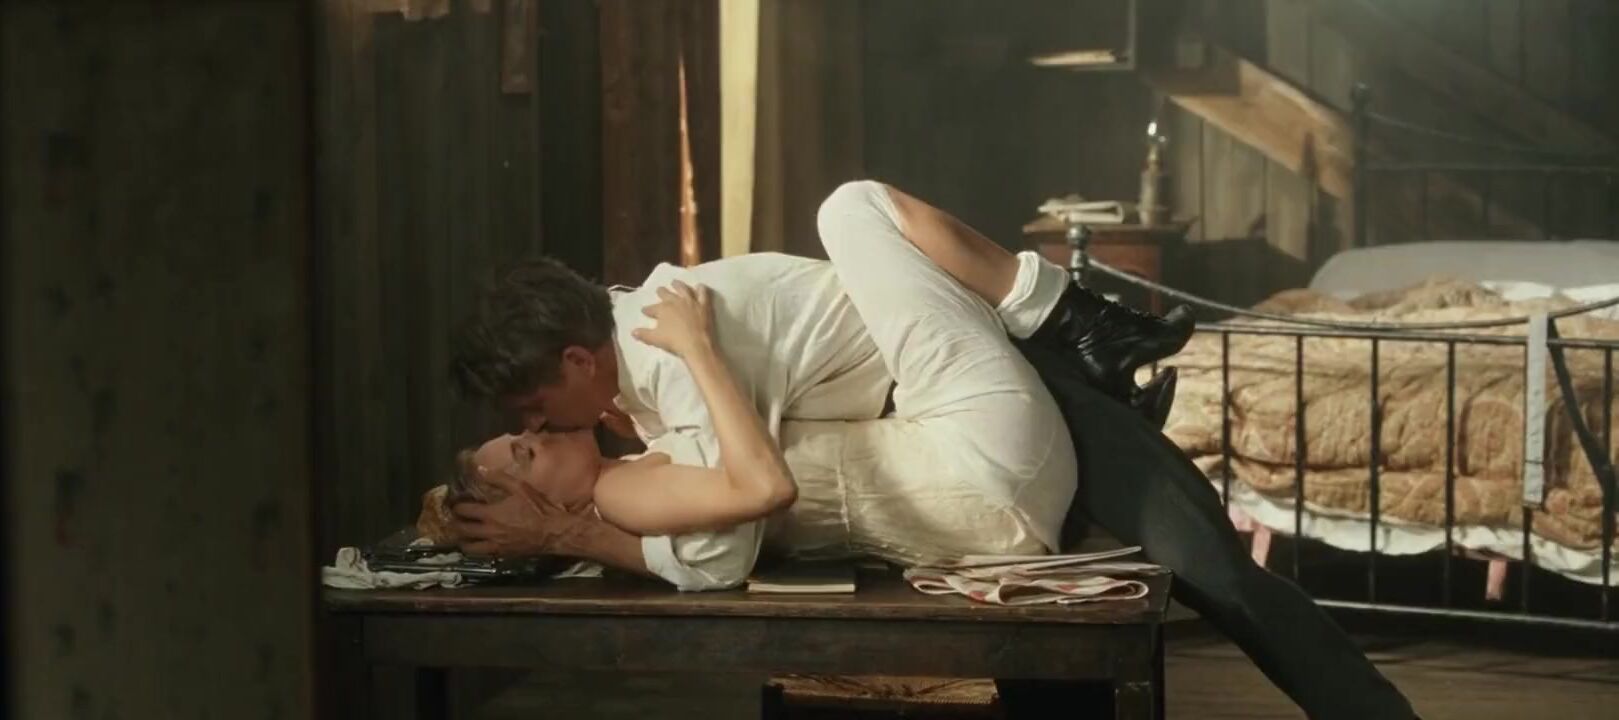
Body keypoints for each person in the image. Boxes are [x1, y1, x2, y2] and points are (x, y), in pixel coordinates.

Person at [450, 181, 1417, 719]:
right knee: (1107, 619)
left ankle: (1077, 334)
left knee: (1222, 578)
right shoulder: (634, 364)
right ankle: (1080, 338)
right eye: (524, 437)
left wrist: (580, 520)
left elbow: (725, 532)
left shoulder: (666, 358)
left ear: (577, 360)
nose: (538, 431)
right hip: (952, 417)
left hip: (983, 404)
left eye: (534, 414)